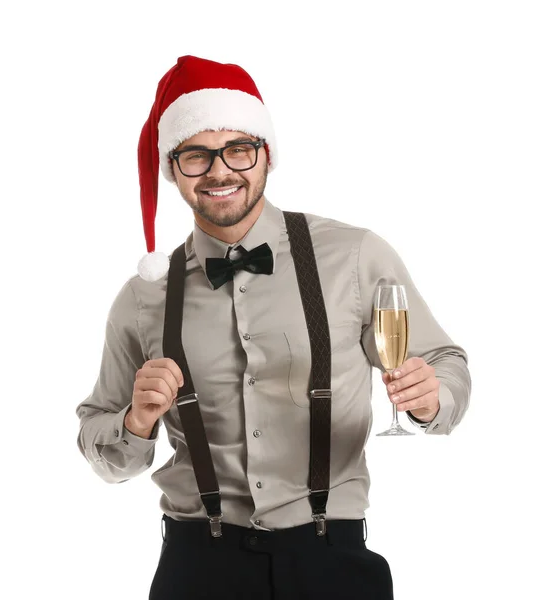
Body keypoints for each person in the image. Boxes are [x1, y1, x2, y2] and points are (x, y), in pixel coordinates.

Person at [75, 55, 471, 600]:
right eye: (197, 155)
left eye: (238, 149)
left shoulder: (353, 256)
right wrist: (137, 421)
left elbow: (444, 362)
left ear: (266, 155)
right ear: (174, 168)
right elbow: (103, 447)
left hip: (333, 561)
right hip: (197, 565)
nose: (220, 171)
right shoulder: (145, 296)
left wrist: (432, 398)